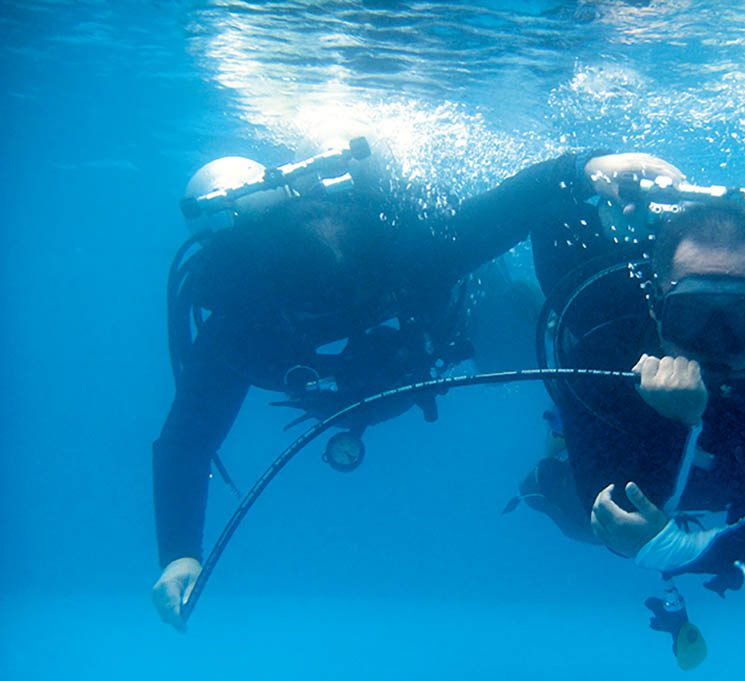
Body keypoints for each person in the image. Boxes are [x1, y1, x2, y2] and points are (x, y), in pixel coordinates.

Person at [151, 146, 591, 630]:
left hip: (459, 323)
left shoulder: (398, 247)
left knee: (522, 342)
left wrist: (582, 167)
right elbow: (187, 441)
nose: (320, 294)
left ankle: (538, 324)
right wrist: (178, 554)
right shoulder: (241, 329)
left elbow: (513, 206)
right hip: (405, 361)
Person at [502, 151, 745, 610]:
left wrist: (674, 547)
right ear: (657, 309)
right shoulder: (607, 348)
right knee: (578, 522)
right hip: (627, 441)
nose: (716, 345)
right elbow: (614, 524)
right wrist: (675, 424)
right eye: (693, 317)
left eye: (742, 318)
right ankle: (514, 308)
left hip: (734, 483)